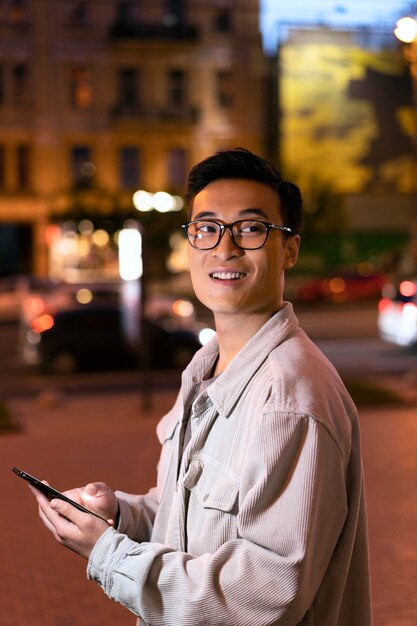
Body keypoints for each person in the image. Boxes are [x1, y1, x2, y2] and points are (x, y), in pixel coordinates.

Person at [30, 148, 372, 625]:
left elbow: (264, 593)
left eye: (250, 229)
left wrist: (109, 556)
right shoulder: (206, 368)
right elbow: (188, 519)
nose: (224, 248)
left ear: (289, 248)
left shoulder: (290, 399)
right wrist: (121, 515)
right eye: (207, 228)